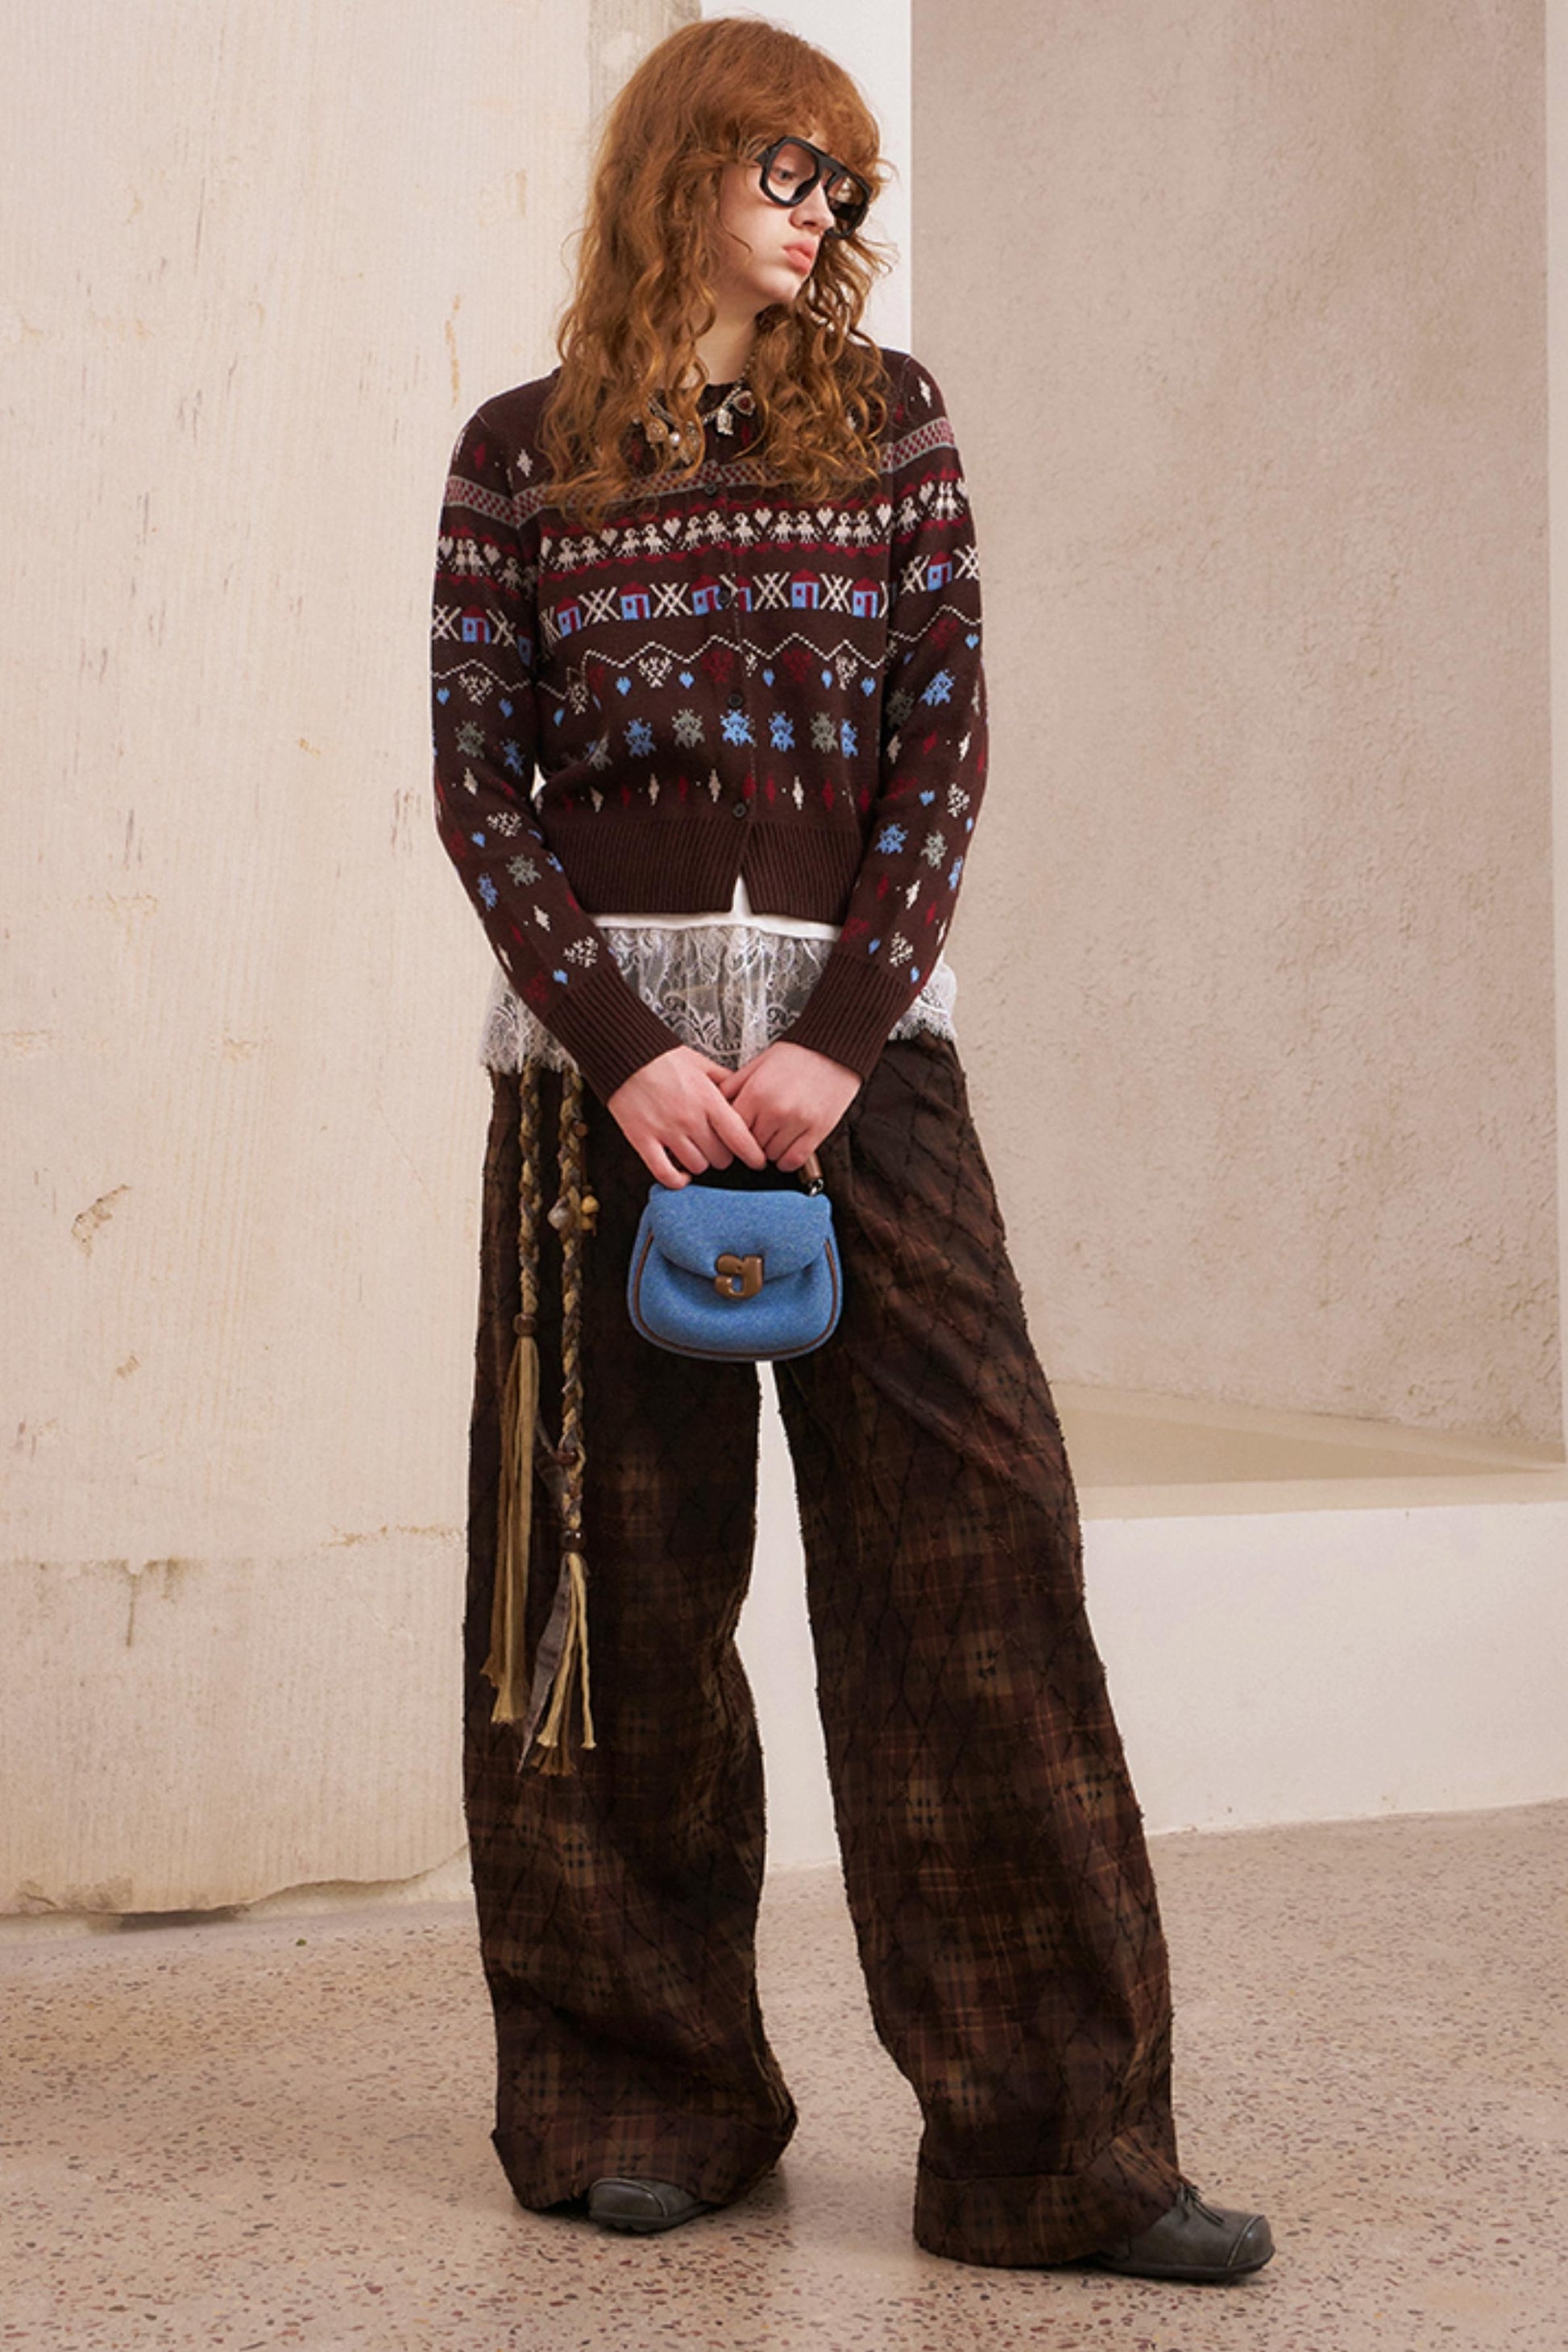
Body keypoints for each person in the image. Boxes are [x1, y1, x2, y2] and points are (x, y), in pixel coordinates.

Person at [430, 14, 1273, 2284]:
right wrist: (624, 1050)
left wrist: (832, 1040)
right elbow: (479, 781)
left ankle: (1054, 2151)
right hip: (598, 1102)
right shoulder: (517, 457)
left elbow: (942, 747)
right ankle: (640, 2093)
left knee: (972, 1571)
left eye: (845, 185)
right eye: (787, 172)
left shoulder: (888, 426)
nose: (824, 216)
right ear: (680, 172)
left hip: (852, 1077)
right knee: (603, 1595)